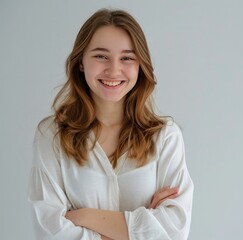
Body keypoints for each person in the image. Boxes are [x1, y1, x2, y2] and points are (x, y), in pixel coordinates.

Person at [27, 8, 194, 240]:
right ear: (81, 62)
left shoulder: (166, 137)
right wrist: (146, 226)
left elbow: (175, 232)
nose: (114, 69)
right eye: (101, 56)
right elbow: (50, 232)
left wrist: (83, 216)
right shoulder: (51, 136)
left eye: (127, 57)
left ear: (139, 65)